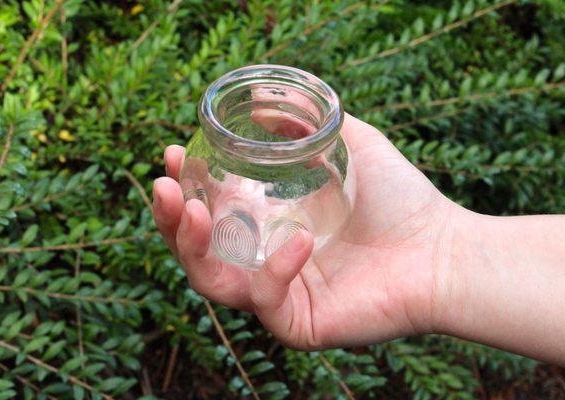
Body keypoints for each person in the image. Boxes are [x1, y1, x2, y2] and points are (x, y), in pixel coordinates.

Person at [152, 113, 565, 365]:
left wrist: (440, 249)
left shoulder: (336, 154)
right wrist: (443, 253)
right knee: (190, 211)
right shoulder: (210, 152)